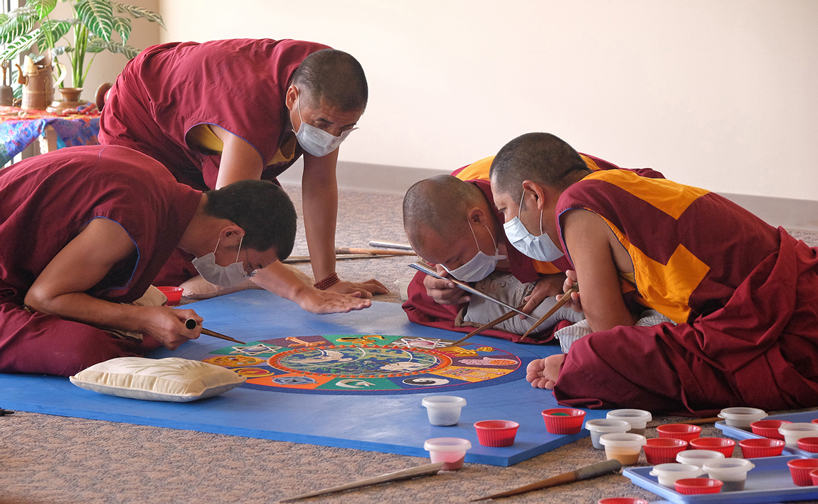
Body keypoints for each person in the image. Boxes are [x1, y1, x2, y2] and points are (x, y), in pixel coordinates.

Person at [489, 132, 818, 414]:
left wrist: (592, 307)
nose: (507, 225)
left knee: (595, 358)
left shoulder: (576, 206)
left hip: (791, 333)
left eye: (504, 210)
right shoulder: (624, 181)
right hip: (797, 290)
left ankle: (577, 368)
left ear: (533, 194)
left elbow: (612, 331)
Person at [98, 38, 387, 314]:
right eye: (322, 124)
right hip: (144, 121)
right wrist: (302, 293)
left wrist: (327, 281)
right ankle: (185, 286)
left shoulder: (328, 80)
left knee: (268, 235)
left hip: (214, 131)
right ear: (292, 97)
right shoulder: (250, 116)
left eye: (345, 128)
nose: (331, 136)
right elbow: (229, 223)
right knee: (174, 252)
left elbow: (320, 185)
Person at [0, 145, 297, 377]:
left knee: (151, 320)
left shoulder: (162, 187)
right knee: (86, 349)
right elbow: (43, 298)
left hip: (28, 273)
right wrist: (143, 319)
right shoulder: (131, 214)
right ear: (231, 234)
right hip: (18, 286)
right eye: (250, 266)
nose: (244, 274)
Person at [402, 155, 662, 342]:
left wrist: (564, 275)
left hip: (609, 210)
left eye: (456, 259)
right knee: (426, 302)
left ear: (478, 218)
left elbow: (612, 321)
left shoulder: (535, 215)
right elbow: (422, 290)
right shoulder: (450, 197)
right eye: (443, 263)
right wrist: (435, 281)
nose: (452, 270)